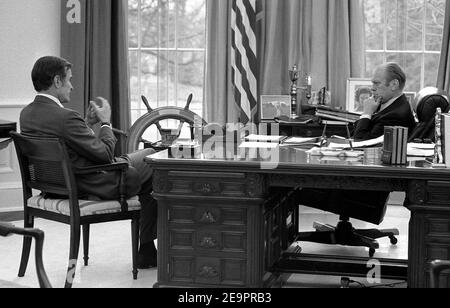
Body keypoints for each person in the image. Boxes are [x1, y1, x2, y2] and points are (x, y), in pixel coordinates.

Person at [20, 56, 157, 269]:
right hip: (91, 182)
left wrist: (85, 123)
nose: (72, 86)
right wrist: (106, 123)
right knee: (155, 163)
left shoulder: (27, 114)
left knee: (149, 152)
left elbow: (67, 146)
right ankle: (147, 249)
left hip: (58, 185)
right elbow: (105, 156)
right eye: (69, 80)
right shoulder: (65, 117)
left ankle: (148, 250)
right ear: (57, 81)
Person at [299, 62, 416, 225]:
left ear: (394, 84)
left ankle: (281, 240)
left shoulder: (396, 114)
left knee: (295, 183)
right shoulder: (391, 106)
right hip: (364, 174)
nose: (372, 88)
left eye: (376, 83)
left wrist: (367, 112)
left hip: (365, 188)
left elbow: (360, 143)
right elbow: (360, 138)